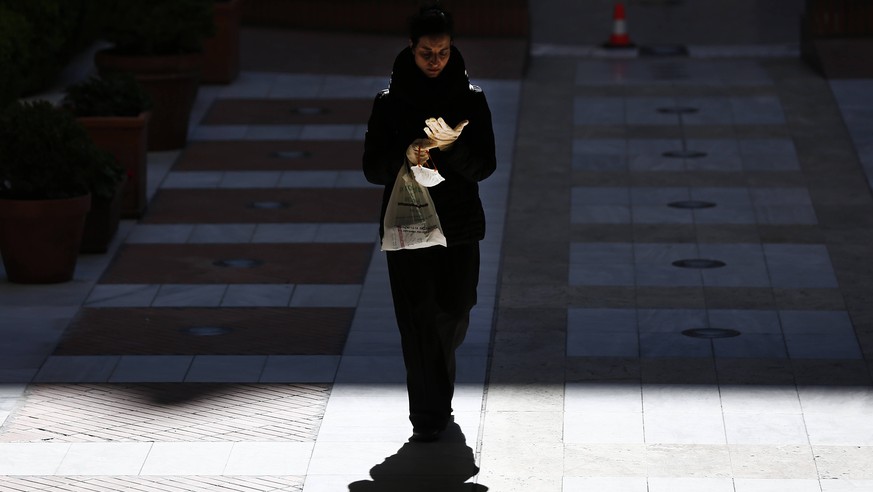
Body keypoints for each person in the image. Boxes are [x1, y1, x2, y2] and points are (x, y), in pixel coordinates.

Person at [362, 4, 497, 443]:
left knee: (456, 309)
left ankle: (436, 381)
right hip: (408, 225)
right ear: (411, 48)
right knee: (418, 320)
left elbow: (486, 167)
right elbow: (371, 169)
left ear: (452, 46)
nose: (435, 60)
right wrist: (409, 151)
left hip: (458, 225)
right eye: (426, 53)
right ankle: (428, 414)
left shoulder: (471, 99)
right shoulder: (389, 102)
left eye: (441, 51)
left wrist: (451, 147)